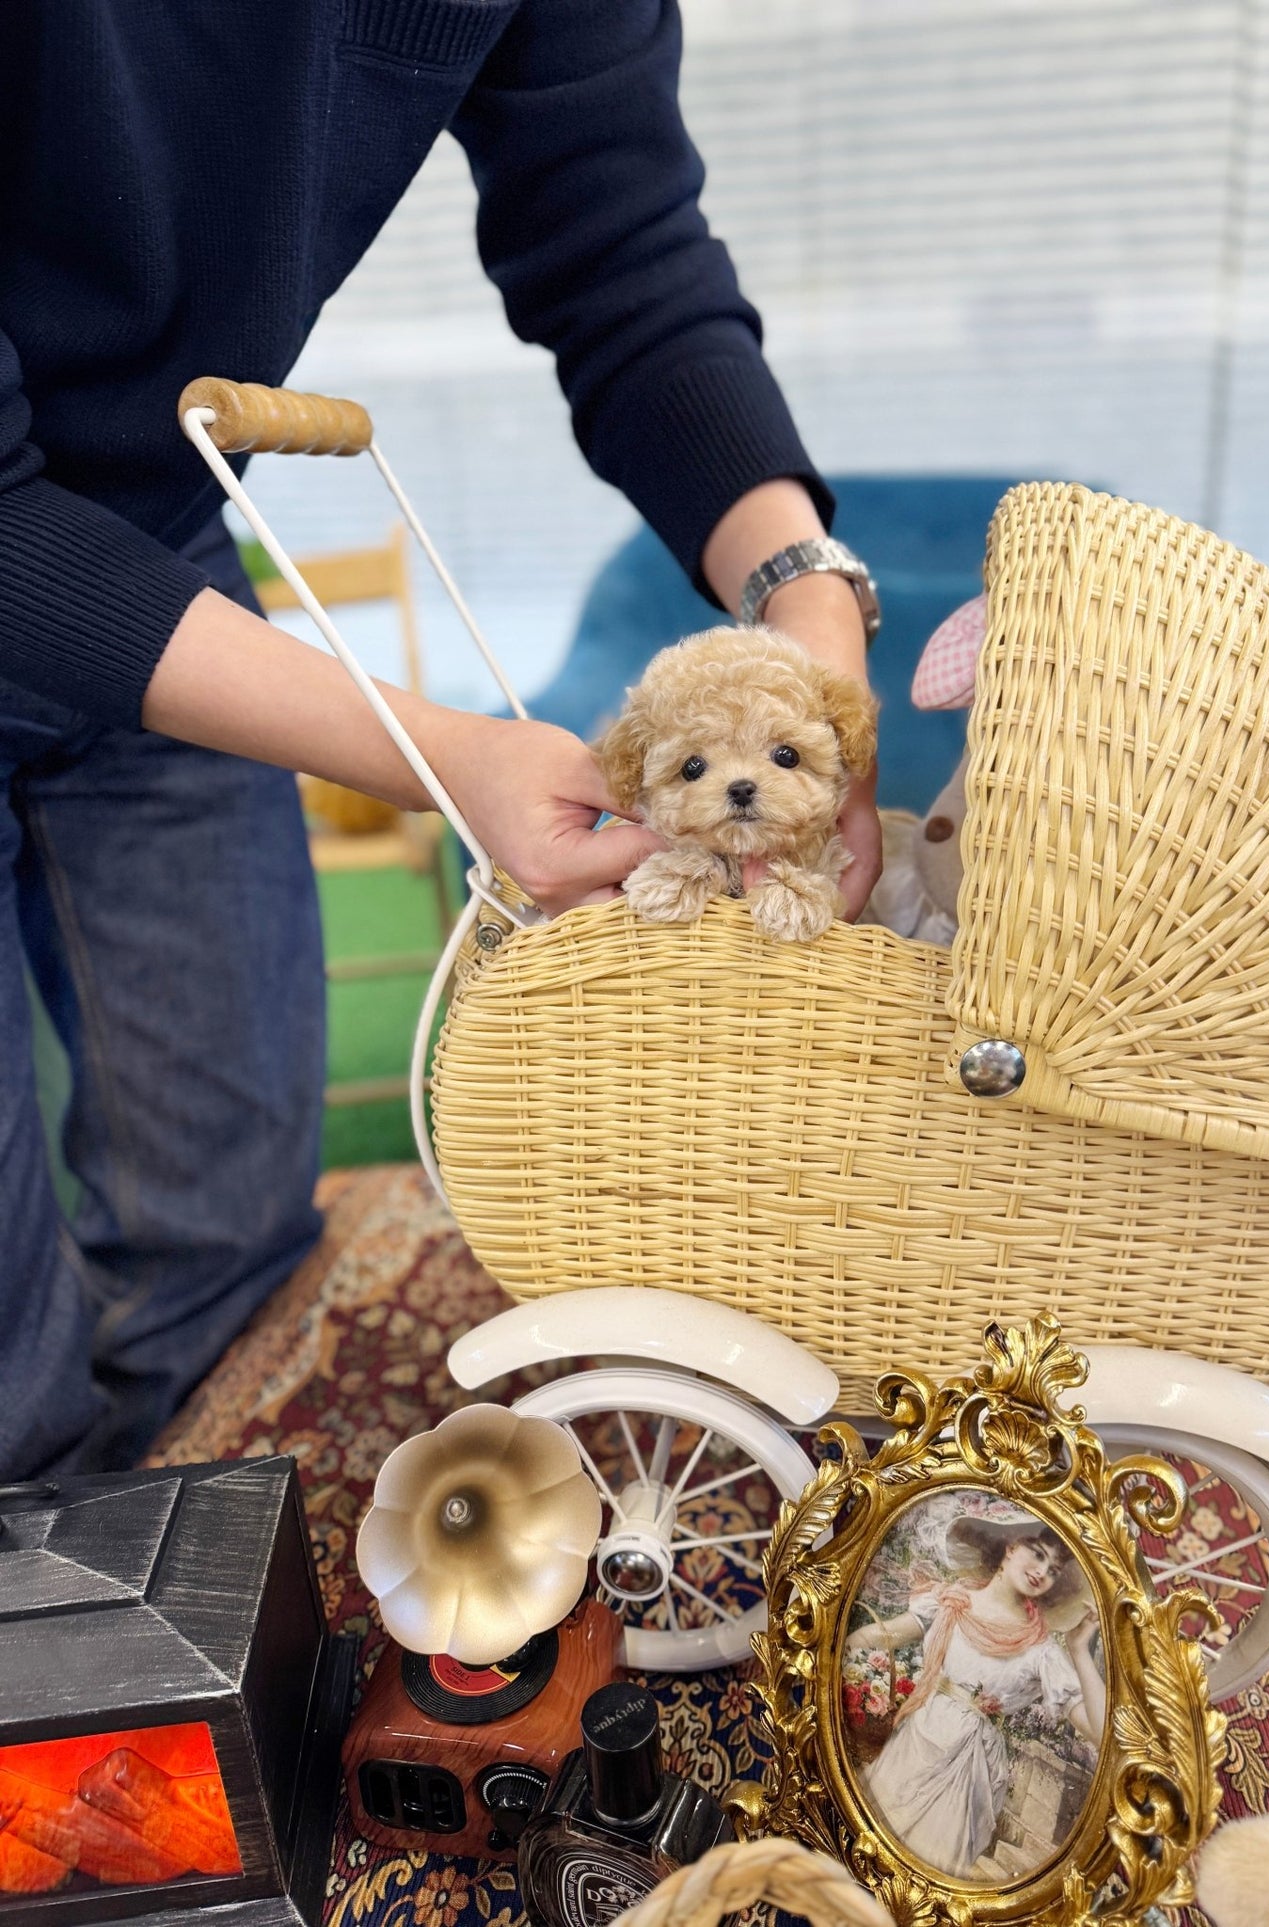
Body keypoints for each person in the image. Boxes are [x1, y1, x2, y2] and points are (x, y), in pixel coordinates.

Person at [0, 0, 882, 1481]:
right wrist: (442, 755)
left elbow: (627, 264)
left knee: (227, 1242)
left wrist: (806, 602)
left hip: (152, 538)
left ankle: (156, 1652)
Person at [844, 1520, 1105, 1880]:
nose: (1042, 1571)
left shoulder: (1042, 1651)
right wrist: (842, 1646)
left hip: (969, 1766)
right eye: (1038, 1554)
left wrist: (1079, 1652)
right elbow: (887, 1634)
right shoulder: (952, 1601)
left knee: (927, 1869)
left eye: (1054, 1570)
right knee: (864, 1842)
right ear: (1011, 1546)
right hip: (918, 1739)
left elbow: (1100, 1730)